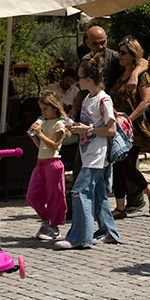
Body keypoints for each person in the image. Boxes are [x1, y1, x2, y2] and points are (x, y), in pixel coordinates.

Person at [55, 55, 120, 249]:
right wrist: (75, 127)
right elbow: (89, 126)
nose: (78, 81)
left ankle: (79, 237)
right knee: (98, 194)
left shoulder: (104, 100)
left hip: (97, 155)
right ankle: (108, 232)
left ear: (89, 80)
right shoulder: (87, 100)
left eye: (80, 77)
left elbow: (111, 130)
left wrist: (88, 130)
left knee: (79, 191)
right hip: (88, 153)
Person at [109, 36, 150, 218]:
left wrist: (128, 120)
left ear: (133, 55)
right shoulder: (120, 73)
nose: (119, 55)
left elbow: (146, 101)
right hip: (117, 128)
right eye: (119, 51)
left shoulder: (142, 76)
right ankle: (120, 207)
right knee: (118, 166)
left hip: (133, 129)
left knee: (128, 166)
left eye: (123, 53)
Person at [26, 90, 71, 242]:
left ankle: (54, 226)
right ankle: (47, 220)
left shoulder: (59, 124)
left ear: (54, 107)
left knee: (55, 197)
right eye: (41, 109)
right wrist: (34, 136)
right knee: (32, 195)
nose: (43, 112)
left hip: (53, 163)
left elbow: (54, 145)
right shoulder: (44, 122)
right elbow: (41, 146)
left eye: (45, 109)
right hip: (41, 162)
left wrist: (40, 134)